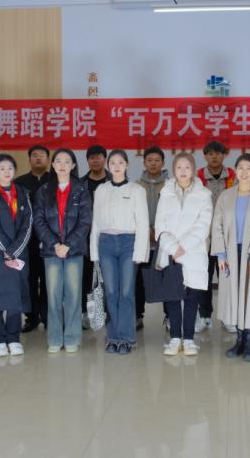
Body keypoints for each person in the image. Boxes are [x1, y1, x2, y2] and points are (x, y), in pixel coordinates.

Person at [211, 153, 250, 362]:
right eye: (241, 168)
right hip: (230, 253)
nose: (244, 172)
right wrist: (220, 253)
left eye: (249, 168)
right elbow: (217, 225)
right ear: (235, 171)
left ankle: (249, 343)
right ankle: (238, 340)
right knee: (235, 297)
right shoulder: (225, 196)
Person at [90, 150, 149, 355]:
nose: (116, 166)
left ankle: (127, 338)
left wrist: (140, 252)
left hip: (128, 243)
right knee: (111, 292)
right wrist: (94, 253)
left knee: (126, 292)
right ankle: (113, 337)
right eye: (113, 162)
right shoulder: (101, 189)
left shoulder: (136, 190)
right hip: (106, 243)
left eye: (120, 162)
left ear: (126, 165)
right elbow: (96, 223)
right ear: (108, 165)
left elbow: (142, 223)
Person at [34, 149, 92, 353]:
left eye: (67, 161)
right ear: (52, 165)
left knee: (74, 295)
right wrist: (54, 244)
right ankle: (55, 338)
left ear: (73, 165)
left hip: (74, 251)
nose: (62, 165)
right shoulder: (43, 190)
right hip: (51, 252)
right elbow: (38, 221)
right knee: (53, 295)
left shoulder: (81, 190)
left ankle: (72, 338)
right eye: (58, 161)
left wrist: (68, 245)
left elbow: (85, 221)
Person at [155, 152, 213, 356]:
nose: (183, 171)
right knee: (172, 297)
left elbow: (204, 224)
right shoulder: (165, 192)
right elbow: (160, 224)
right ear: (173, 170)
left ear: (193, 169)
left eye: (187, 167)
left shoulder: (204, 194)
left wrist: (184, 246)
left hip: (193, 252)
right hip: (170, 252)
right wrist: (172, 247)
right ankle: (174, 339)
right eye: (179, 167)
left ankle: (188, 339)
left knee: (191, 298)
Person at [0, 154, 34, 357]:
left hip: (18, 254)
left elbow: (28, 224)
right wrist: (6, 251)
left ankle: (13, 337)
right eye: (2, 168)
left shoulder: (23, 193)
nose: (6, 172)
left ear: (14, 170)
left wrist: (14, 252)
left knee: (15, 296)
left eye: (10, 168)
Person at [196, 140, 236, 332]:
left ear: (224, 155)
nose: (214, 157)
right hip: (203, 238)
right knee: (203, 278)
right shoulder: (197, 178)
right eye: (210, 153)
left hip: (226, 238)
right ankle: (205, 316)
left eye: (218, 153)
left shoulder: (234, 177)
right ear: (205, 156)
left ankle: (228, 316)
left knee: (226, 278)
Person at [16, 144, 51, 333]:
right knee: (28, 279)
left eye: (42, 155)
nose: (38, 158)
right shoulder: (19, 183)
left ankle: (47, 316)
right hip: (26, 241)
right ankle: (31, 317)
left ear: (48, 159)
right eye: (34, 155)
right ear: (29, 159)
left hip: (49, 239)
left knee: (48, 280)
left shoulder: (55, 180)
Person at [135, 146, 168, 330]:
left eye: (157, 160)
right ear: (144, 163)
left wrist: (160, 232)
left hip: (165, 241)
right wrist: (146, 231)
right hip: (142, 241)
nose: (153, 163)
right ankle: (137, 315)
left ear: (163, 163)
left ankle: (169, 317)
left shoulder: (171, 185)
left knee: (167, 279)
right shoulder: (136, 186)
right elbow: (132, 213)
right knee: (138, 281)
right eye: (149, 160)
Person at [81, 145, 109, 329]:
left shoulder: (114, 180)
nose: (96, 160)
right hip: (85, 238)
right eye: (92, 157)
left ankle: (108, 311)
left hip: (108, 236)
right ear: (88, 161)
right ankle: (87, 312)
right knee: (86, 276)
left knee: (108, 276)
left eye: (99, 157)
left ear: (104, 159)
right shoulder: (80, 183)